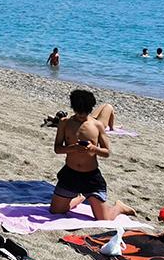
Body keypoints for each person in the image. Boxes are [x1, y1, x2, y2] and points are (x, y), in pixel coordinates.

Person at [49, 89, 135, 220]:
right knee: (56, 211)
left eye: (85, 113)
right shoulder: (65, 123)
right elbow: (57, 149)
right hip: (69, 174)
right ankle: (80, 197)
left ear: (90, 110)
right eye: (79, 112)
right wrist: (73, 148)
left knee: (104, 219)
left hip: (91, 177)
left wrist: (93, 149)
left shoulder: (97, 125)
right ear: (74, 108)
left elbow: (107, 152)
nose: (81, 116)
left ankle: (119, 207)